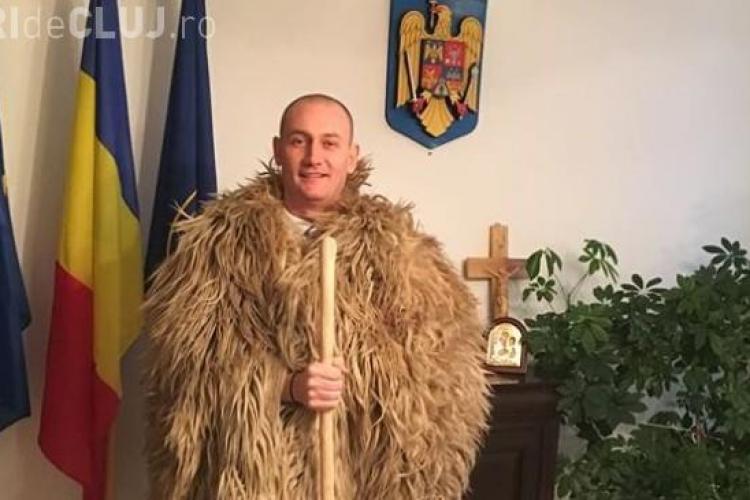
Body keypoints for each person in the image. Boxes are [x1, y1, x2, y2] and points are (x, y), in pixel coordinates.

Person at [144, 94, 490, 499]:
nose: (314, 157)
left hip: (359, 483)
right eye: (299, 141)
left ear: (352, 156)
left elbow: (445, 379)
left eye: (329, 143)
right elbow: (184, 373)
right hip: (253, 481)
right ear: (278, 151)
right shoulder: (216, 248)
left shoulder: (403, 255)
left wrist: (366, 383)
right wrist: (284, 386)